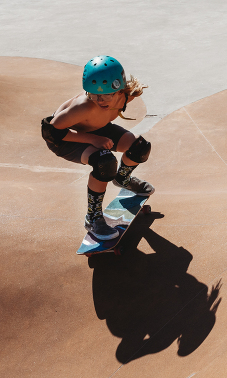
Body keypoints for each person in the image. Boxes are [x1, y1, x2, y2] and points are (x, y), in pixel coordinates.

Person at [41, 56, 154, 240]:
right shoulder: (84, 107)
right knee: (105, 163)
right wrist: (93, 139)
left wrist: (97, 136)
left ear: (119, 90)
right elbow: (50, 131)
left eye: (106, 95)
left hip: (97, 130)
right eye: (93, 94)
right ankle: (93, 218)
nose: (99, 100)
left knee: (139, 148)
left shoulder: (126, 96)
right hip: (65, 139)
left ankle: (123, 179)